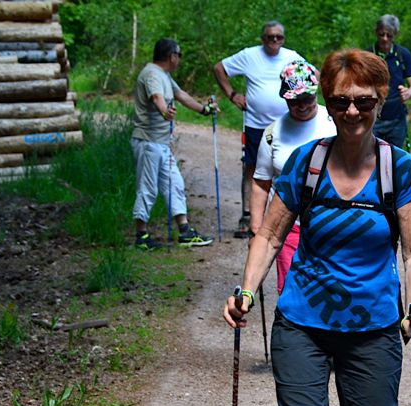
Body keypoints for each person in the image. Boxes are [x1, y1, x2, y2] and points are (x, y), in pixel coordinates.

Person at [223, 49, 411, 406]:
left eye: (363, 101)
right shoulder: (305, 164)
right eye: (340, 103)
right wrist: (247, 291)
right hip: (302, 322)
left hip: (374, 325)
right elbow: (271, 236)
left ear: (380, 102)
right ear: (328, 104)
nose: (352, 112)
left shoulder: (398, 170)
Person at [251, 60, 336, 293]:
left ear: (315, 92)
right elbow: (261, 182)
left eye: (307, 98)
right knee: (292, 291)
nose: (301, 106)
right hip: (287, 225)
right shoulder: (272, 133)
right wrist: (256, 227)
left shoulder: (335, 122)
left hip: (331, 223)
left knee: (328, 290)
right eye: (294, 100)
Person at [213, 21, 304, 238]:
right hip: (255, 123)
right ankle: (247, 216)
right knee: (252, 168)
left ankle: (289, 215)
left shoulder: (292, 57)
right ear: (263, 39)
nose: (274, 41)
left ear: (283, 39)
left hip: (286, 123)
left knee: (288, 166)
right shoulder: (249, 55)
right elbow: (219, 68)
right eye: (270, 37)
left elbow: (314, 75)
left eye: (278, 37)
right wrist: (232, 95)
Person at [131, 38, 215, 249]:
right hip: (148, 142)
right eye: (178, 55)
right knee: (147, 188)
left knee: (175, 184)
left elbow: (181, 95)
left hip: (161, 144)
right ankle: (141, 235)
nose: (179, 59)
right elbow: (157, 97)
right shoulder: (151, 74)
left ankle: (185, 231)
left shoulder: (164, 75)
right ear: (171, 56)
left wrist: (204, 110)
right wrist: (164, 111)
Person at [370, 14, 411, 149]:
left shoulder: (403, 54)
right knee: (371, 158)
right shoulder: (368, 54)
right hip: (373, 118)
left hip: (397, 117)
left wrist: (408, 93)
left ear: (395, 34)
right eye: (381, 34)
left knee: (394, 159)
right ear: (376, 33)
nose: (384, 39)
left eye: (389, 35)